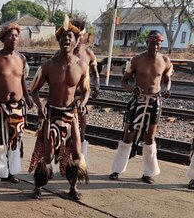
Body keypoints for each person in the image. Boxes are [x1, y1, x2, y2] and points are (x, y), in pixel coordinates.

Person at [28, 15, 90, 200]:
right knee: (47, 155)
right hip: (52, 114)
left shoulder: (82, 67)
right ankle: (38, 186)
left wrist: (82, 102)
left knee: (77, 152)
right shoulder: (48, 66)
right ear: (58, 41)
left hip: (71, 115)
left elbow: (85, 91)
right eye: (63, 37)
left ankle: (73, 187)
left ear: (76, 41)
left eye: (70, 37)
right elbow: (34, 91)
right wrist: (40, 106)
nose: (66, 40)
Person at [108, 30, 173, 184]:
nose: (155, 47)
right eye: (152, 43)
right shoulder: (136, 60)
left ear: (160, 44)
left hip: (155, 102)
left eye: (157, 44)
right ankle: (117, 169)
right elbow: (124, 81)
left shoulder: (165, 60)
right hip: (138, 100)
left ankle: (148, 173)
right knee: (129, 133)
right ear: (147, 43)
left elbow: (168, 79)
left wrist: (167, 89)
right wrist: (133, 89)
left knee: (150, 137)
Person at [0, 23, 33, 183]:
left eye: (16, 35)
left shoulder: (21, 58)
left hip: (18, 107)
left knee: (15, 140)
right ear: (3, 38)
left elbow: (22, 79)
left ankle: (11, 172)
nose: (14, 38)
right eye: (10, 35)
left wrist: (28, 96)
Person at [71, 18, 100, 167]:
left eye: (78, 35)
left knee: (81, 129)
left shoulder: (88, 53)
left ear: (83, 36)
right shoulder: (65, 52)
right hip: (67, 97)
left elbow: (95, 73)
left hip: (82, 96)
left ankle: (79, 161)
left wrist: (97, 85)